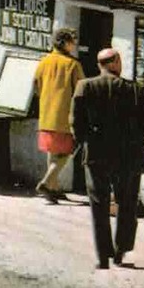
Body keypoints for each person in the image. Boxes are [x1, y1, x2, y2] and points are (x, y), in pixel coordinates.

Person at [73, 48, 144, 269]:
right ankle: (121, 249)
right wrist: (137, 144)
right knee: (127, 203)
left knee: (98, 204)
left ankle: (103, 256)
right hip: (128, 155)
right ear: (116, 62)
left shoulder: (85, 86)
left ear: (100, 64)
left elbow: (76, 122)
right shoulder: (135, 90)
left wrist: (86, 143)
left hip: (96, 155)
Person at [32, 28, 83, 203]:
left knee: (53, 152)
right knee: (69, 150)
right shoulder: (72, 65)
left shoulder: (44, 62)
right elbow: (81, 90)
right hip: (65, 115)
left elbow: (36, 85)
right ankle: (47, 182)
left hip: (46, 113)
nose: (74, 45)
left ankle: (53, 188)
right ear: (65, 43)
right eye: (72, 42)